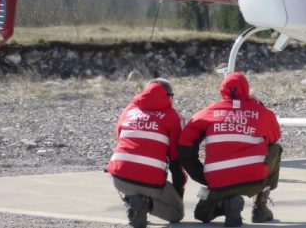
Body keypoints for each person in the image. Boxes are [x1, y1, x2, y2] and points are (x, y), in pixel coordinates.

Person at [179, 72, 282, 227]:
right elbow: (274, 138)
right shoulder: (262, 113)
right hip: (253, 181)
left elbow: (185, 146)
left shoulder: (208, 113)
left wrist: (203, 176)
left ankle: (226, 202)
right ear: (247, 90)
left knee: (202, 216)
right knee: (275, 149)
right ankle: (259, 208)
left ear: (222, 90)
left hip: (218, 181)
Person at [107, 78, 186, 228]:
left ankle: (131, 201)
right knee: (176, 214)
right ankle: (146, 203)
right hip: (151, 181)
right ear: (168, 96)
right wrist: (177, 198)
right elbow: (177, 162)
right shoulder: (173, 116)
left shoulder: (129, 109)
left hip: (119, 177)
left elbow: (119, 136)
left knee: (129, 180)